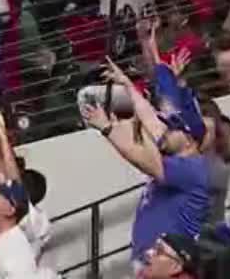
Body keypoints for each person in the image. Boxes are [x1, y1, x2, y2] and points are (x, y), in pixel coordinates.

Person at [82, 65, 211, 266]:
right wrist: (126, 83)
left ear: (188, 139)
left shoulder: (192, 169)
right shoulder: (178, 147)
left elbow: (140, 157)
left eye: (171, 128)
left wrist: (107, 128)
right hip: (151, 260)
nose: (163, 131)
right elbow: (150, 118)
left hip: (167, 264)